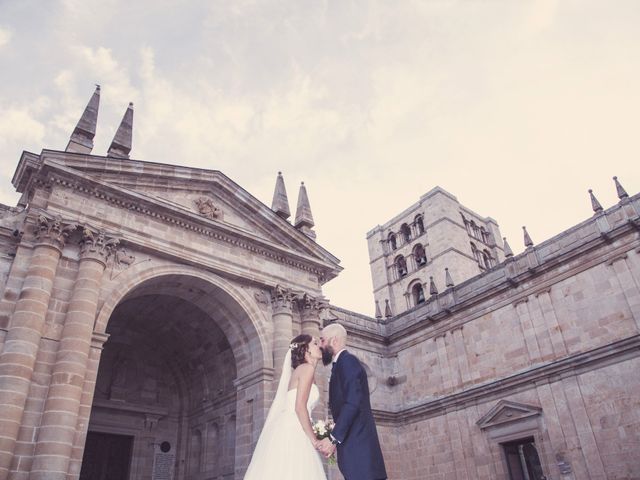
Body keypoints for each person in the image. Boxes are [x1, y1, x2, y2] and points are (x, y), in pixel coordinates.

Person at [243, 334, 327, 480]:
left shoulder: (300, 370)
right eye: (314, 343)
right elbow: (300, 407)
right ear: (306, 349)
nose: (319, 345)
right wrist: (314, 440)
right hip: (295, 428)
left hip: (289, 425)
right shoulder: (307, 369)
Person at [318, 323, 387, 480]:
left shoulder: (348, 362)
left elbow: (353, 402)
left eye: (322, 340)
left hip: (360, 451)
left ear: (333, 341)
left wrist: (333, 438)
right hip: (355, 449)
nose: (320, 345)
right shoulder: (341, 364)